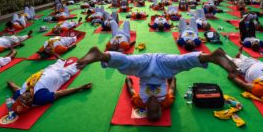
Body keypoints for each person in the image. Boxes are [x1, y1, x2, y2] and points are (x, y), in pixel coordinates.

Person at [76, 46, 237, 121]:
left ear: (146, 109)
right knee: (182, 62)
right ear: (160, 108)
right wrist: (172, 75)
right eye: (156, 109)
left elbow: (131, 89)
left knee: (126, 64)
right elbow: (173, 86)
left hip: (143, 68)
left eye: (150, 109)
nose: (153, 105)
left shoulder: (140, 102)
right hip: (162, 66)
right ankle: (212, 57)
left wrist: (129, 79)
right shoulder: (166, 101)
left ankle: (101, 56)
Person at [7, 57, 92, 114]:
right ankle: (95, 57)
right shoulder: (40, 98)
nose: (27, 98)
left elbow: (15, 88)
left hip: (49, 69)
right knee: (81, 63)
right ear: (31, 105)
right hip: (62, 74)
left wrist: (11, 84)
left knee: (61, 60)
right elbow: (60, 93)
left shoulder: (19, 93)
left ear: (19, 97)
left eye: (23, 99)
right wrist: (80, 88)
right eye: (28, 102)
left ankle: (60, 60)